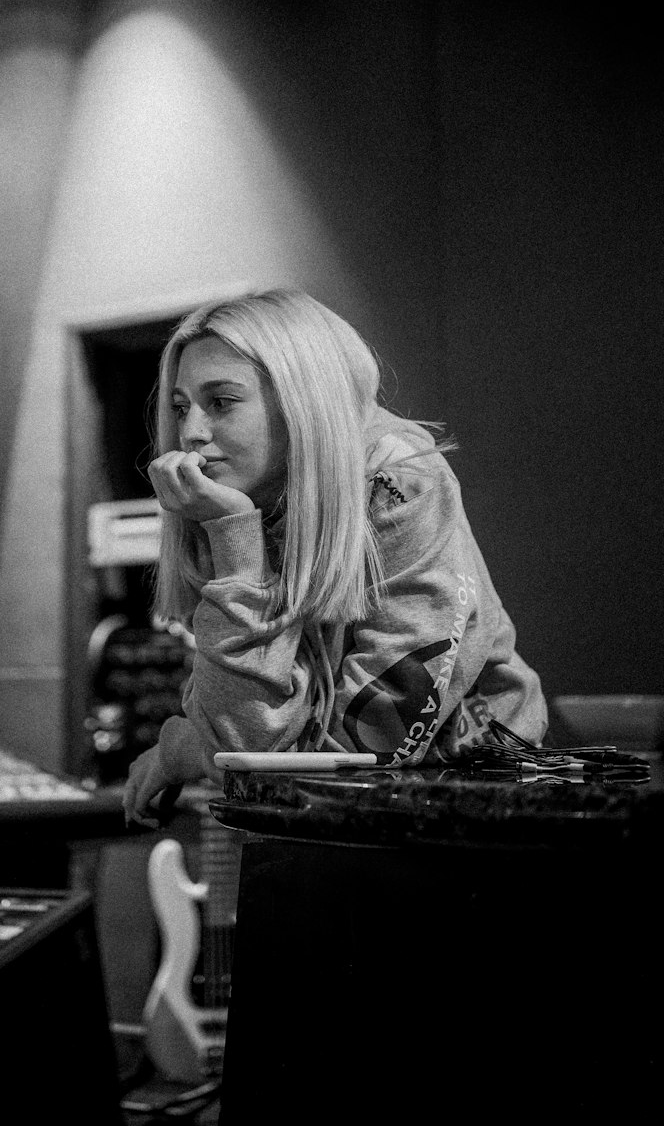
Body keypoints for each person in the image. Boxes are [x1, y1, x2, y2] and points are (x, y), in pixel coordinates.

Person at [123, 288, 547, 827]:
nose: (190, 433)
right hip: (335, 828)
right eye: (181, 407)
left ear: (301, 397)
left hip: (477, 815)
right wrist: (235, 538)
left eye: (222, 402)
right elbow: (252, 743)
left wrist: (185, 747)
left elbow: (368, 750)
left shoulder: (399, 482)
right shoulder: (237, 507)